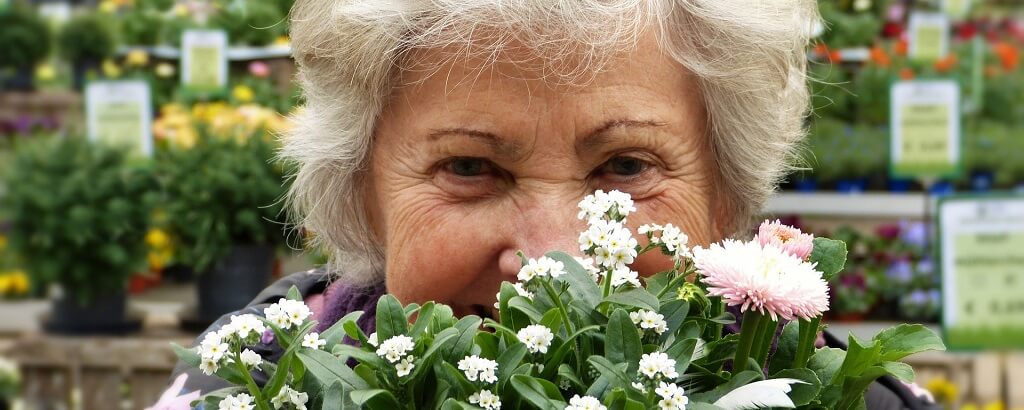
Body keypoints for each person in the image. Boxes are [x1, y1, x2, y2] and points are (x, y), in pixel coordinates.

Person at [153, 1, 938, 408]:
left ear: (726, 191)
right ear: (359, 188)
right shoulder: (241, 391)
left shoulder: (846, 402)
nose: (552, 263)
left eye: (625, 166)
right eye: (469, 166)